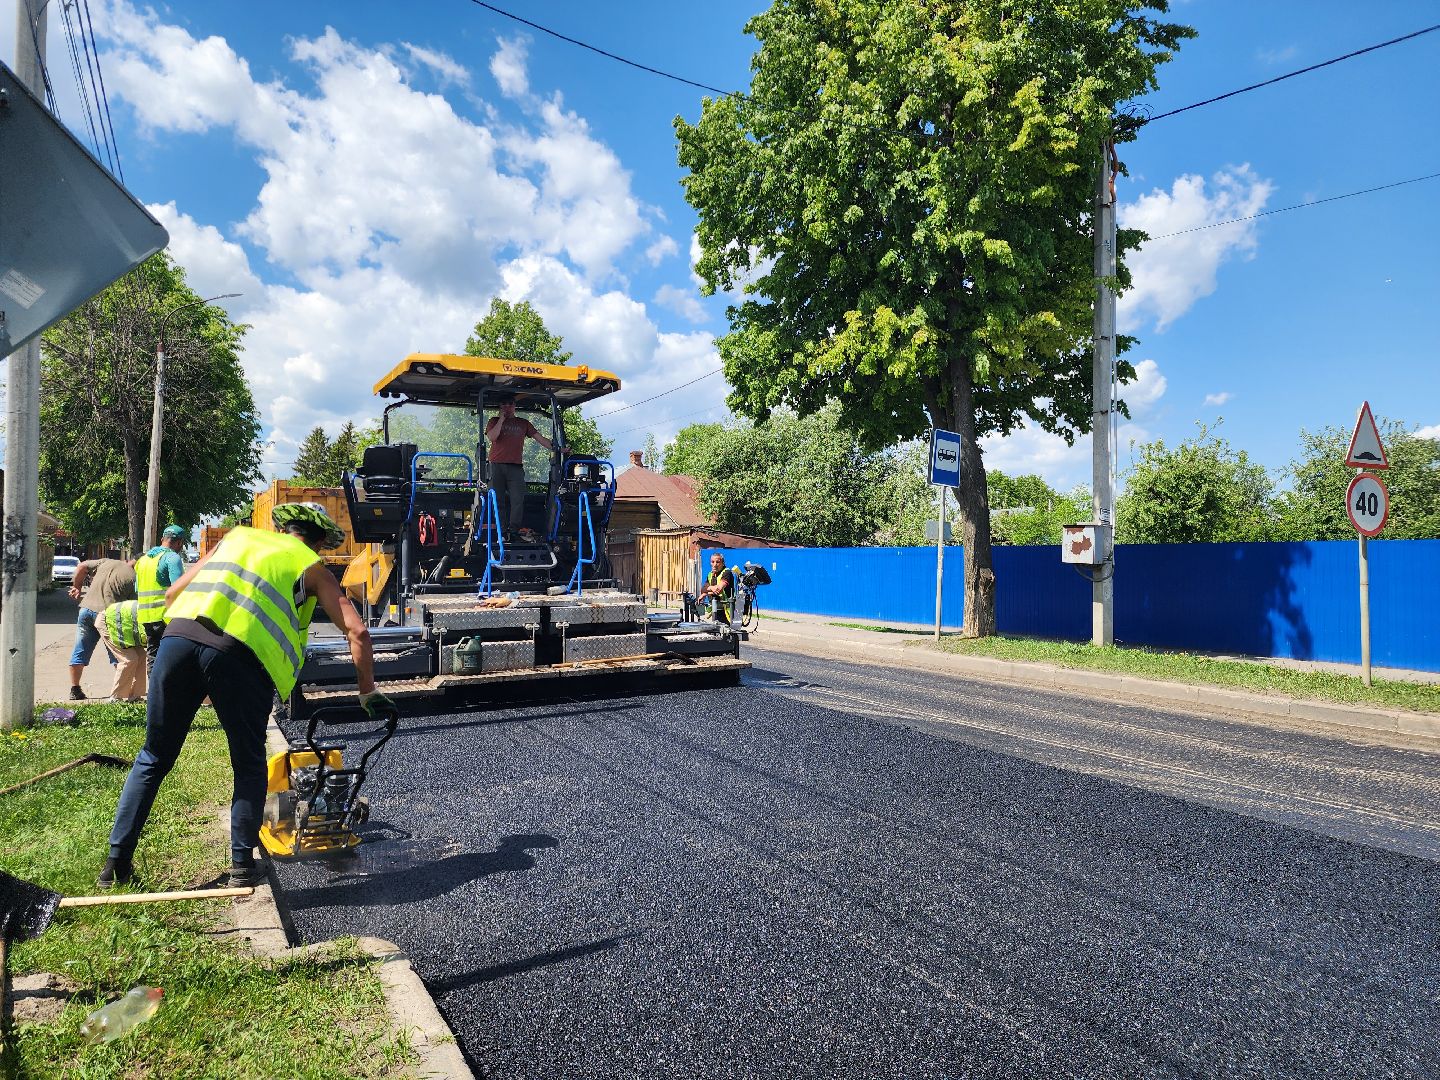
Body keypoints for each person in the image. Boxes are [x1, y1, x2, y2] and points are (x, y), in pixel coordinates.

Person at [99, 503, 393, 890]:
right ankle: (242, 866)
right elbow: (358, 632)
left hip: (178, 643)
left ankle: (115, 865)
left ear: (285, 527)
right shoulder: (312, 567)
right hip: (240, 661)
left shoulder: (235, 541)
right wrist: (367, 690)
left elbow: (173, 594)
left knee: (153, 757)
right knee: (249, 764)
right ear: (319, 541)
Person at [484, 392, 553, 543]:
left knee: (517, 499)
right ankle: (501, 532)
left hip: (515, 467)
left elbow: (540, 438)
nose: (507, 407)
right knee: (497, 500)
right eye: (504, 404)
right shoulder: (493, 421)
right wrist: (501, 420)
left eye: (510, 403)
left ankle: (513, 531)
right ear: (500, 407)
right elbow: (492, 437)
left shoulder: (523, 423)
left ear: (515, 406)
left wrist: (557, 449)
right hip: (496, 465)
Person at [67, 557, 137, 700]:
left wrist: (77, 587)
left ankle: (75, 689)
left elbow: (81, 566)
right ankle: (122, 692)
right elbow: (131, 607)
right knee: (119, 654)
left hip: (86, 610)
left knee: (80, 649)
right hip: (107, 616)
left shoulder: (106, 562)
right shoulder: (134, 577)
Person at [134, 524, 188, 671]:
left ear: (162, 539)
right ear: (179, 542)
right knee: (173, 657)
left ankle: (154, 691)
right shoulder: (172, 558)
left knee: (153, 655)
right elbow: (179, 589)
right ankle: (168, 691)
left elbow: (137, 589)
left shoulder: (142, 561)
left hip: (145, 617)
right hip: (166, 618)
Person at [96, 600, 149, 702]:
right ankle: (115, 697)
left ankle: (135, 696)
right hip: (108, 622)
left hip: (126, 626)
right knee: (129, 659)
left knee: (142, 655)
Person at [699, 552, 734, 625]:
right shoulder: (710, 574)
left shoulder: (727, 573)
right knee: (716, 630)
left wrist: (707, 591)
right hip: (716, 608)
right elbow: (703, 589)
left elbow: (718, 589)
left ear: (723, 563)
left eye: (717, 562)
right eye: (712, 562)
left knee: (726, 632)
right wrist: (710, 588)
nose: (714, 565)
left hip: (726, 611)